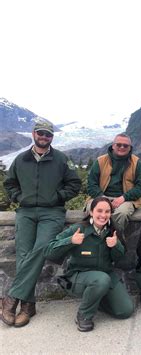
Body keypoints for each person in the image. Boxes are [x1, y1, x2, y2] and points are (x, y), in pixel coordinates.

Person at [2, 121, 81, 328]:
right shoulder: (21, 159)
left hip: (52, 212)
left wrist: (57, 197)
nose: (44, 137)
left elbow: (75, 184)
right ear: (33, 134)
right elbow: (9, 183)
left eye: (48, 134)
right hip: (26, 212)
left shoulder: (61, 160)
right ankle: (29, 306)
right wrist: (19, 197)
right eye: (41, 133)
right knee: (23, 254)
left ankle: (11, 299)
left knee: (42, 248)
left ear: (52, 137)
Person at [44, 197, 134, 332]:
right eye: (99, 211)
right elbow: (49, 252)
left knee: (125, 311)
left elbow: (120, 260)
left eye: (107, 211)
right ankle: (84, 315)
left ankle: (95, 299)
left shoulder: (112, 231)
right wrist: (70, 241)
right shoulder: (78, 229)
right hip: (77, 276)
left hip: (105, 276)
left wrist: (116, 246)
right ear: (91, 212)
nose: (103, 215)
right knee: (101, 280)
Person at [86, 133, 141, 237]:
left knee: (122, 213)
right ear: (113, 145)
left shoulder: (136, 163)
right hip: (101, 196)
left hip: (126, 199)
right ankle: (95, 238)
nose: (122, 147)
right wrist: (102, 198)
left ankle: (115, 238)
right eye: (118, 144)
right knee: (92, 209)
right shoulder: (100, 161)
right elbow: (91, 184)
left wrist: (124, 197)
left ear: (130, 148)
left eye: (125, 145)